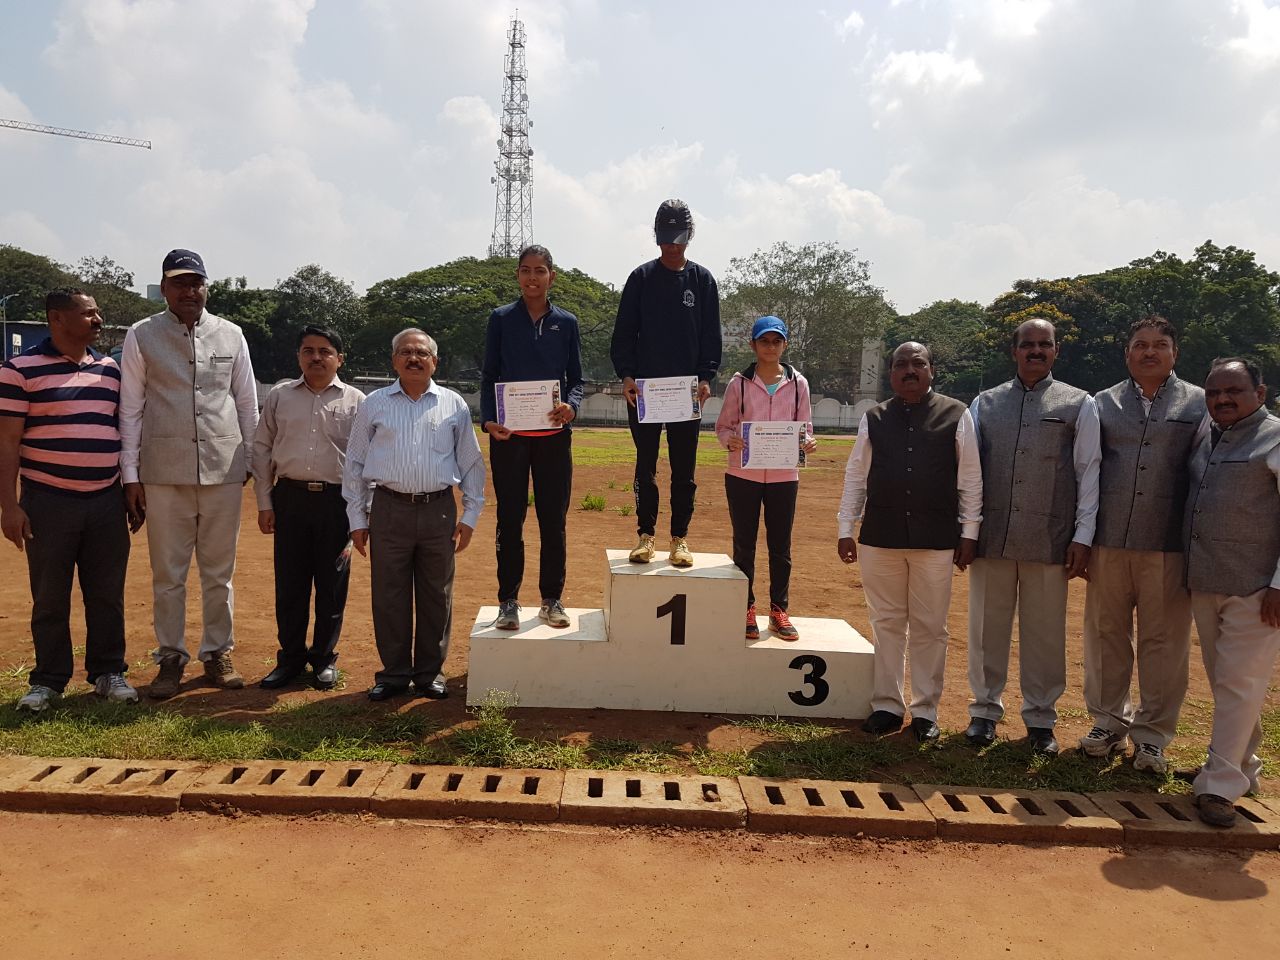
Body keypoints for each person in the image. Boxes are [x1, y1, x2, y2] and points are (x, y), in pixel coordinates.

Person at [119, 249, 258, 699]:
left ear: (206, 287)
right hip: (163, 473)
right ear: (164, 288)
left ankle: (217, 652)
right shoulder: (142, 335)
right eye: (179, 283)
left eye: (196, 282)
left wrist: (252, 460)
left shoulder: (232, 335)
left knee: (220, 572)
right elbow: (130, 410)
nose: (189, 290)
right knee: (168, 574)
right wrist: (130, 475)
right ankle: (171, 657)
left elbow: (246, 402)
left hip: (223, 469)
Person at [965, 317, 1100, 754]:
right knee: (987, 628)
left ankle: (1041, 719)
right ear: (1015, 350)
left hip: (1049, 538)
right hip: (994, 536)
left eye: (1045, 344)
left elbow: (1088, 472)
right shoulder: (985, 404)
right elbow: (969, 472)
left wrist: (1082, 535)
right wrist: (967, 528)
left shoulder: (1079, 404)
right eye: (1028, 345)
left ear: (1056, 351)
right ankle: (984, 711)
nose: (1036, 351)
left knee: (1044, 633)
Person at [837, 342, 982, 743]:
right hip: (880, 538)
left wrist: (969, 533)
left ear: (932, 370)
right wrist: (845, 527)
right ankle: (887, 705)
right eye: (901, 364)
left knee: (930, 628)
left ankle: (925, 710)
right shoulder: (875, 417)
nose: (909, 370)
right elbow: (856, 475)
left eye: (918, 363)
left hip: (935, 541)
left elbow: (969, 479)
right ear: (891, 374)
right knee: (886, 623)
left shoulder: (956, 414)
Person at [1079, 316, 1206, 774]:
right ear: (1127, 353)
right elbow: (1089, 471)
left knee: (1164, 642)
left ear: (1175, 352)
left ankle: (1152, 737)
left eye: (1159, 344)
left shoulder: (1200, 404)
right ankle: (1108, 722)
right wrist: (1085, 534)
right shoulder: (1102, 403)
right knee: (1106, 635)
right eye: (1140, 345)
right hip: (1110, 540)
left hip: (1168, 544)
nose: (1149, 352)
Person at [0, 289, 137, 711]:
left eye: (97, 312)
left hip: (105, 501)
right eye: (88, 313)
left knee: (107, 593)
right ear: (57, 318)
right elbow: (7, 441)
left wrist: (130, 487)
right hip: (47, 501)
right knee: (50, 595)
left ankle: (108, 672)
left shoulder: (111, 370)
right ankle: (48, 680)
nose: (97, 319)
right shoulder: (18, 369)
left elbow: (124, 431)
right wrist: (9, 505)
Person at [343, 328, 485, 701]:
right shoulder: (374, 403)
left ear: (435, 361)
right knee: (389, 595)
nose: (414, 358)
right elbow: (355, 463)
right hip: (388, 509)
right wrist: (357, 520)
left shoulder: (453, 404)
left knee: (437, 594)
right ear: (394, 361)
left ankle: (428, 673)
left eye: (422, 353)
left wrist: (470, 514)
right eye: (405, 352)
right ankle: (393, 674)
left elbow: (471, 462)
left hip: (438, 509)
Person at [1183, 358, 1280, 828]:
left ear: (1259, 394)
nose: (1222, 399)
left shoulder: (1276, 438)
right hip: (1208, 580)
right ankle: (1243, 767)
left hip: (1257, 588)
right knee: (1230, 683)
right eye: (1214, 392)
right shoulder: (1209, 435)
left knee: (1239, 685)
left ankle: (1219, 786)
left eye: (1234, 391)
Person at [252, 326, 365, 690]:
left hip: (338, 504)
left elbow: (367, 460)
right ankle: (290, 659)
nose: (316, 357)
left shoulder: (358, 402)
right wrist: (265, 502)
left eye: (324, 351)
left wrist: (363, 513)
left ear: (339, 358)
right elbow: (262, 448)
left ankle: (324, 658)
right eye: (308, 350)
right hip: (290, 499)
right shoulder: (280, 397)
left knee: (332, 584)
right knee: (290, 584)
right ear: (299, 355)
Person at [611, 198, 721, 567]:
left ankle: (680, 538)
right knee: (646, 465)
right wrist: (626, 375)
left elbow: (710, 336)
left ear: (690, 235)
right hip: (645, 393)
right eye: (664, 238)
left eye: (677, 238)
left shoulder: (702, 280)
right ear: (655, 237)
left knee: (683, 469)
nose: (671, 246)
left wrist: (706, 377)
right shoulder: (641, 278)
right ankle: (646, 535)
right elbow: (624, 334)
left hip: (685, 394)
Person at [480, 245, 584, 631]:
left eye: (540, 271)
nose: (532, 278)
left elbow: (576, 379)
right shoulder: (501, 319)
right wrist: (489, 421)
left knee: (552, 519)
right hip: (509, 436)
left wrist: (572, 406)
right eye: (525, 271)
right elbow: (489, 376)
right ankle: (508, 601)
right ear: (518, 275)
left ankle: (551, 598)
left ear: (551, 276)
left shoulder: (567, 323)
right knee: (510, 518)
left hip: (553, 437)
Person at [715, 315, 816, 641]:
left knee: (780, 546)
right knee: (744, 544)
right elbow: (723, 427)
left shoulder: (799, 384)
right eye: (764, 341)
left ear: (785, 344)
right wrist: (730, 440)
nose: (770, 347)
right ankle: (746, 607)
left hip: (784, 475)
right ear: (753, 345)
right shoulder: (739, 383)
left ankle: (778, 610)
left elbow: (805, 429)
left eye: (776, 341)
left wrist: (808, 443)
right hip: (743, 473)